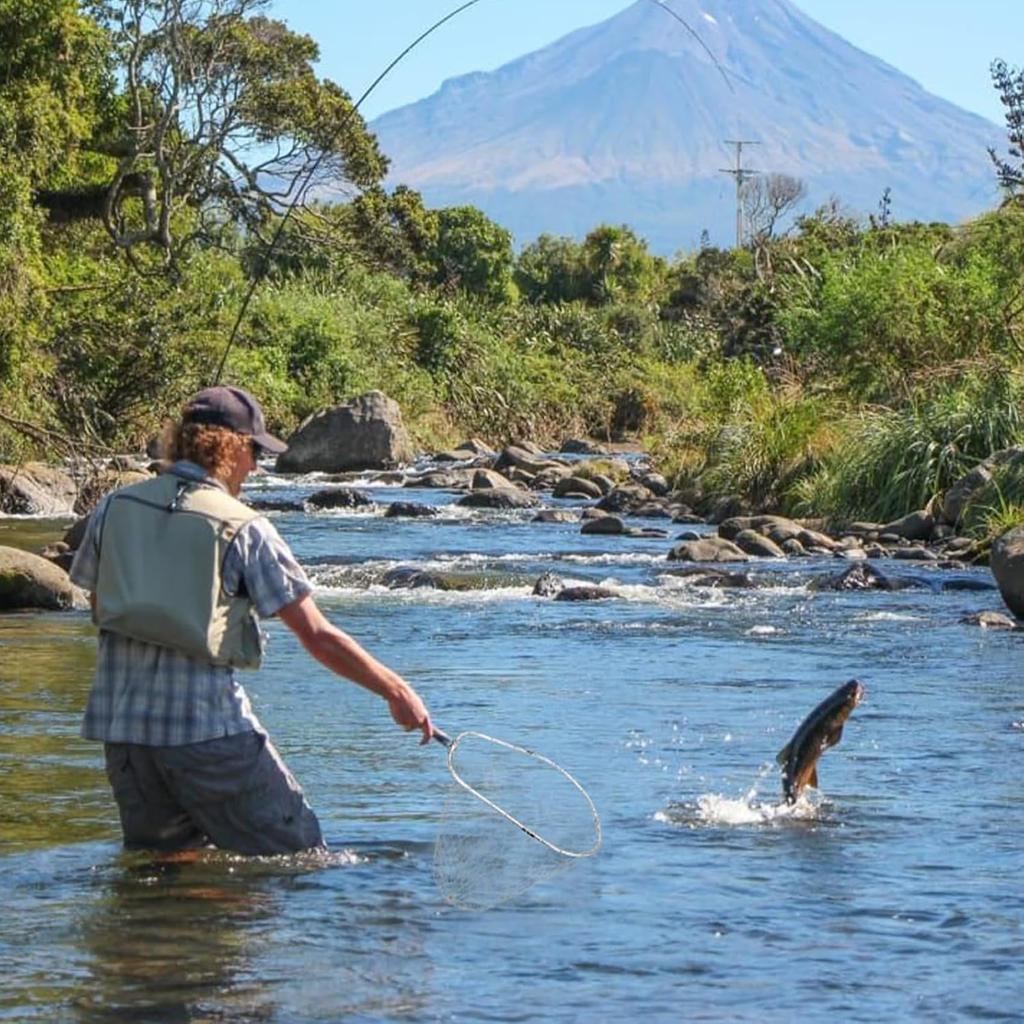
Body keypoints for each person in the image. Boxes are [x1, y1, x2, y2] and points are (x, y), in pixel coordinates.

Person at [69, 385, 433, 856]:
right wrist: (396, 690)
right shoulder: (244, 527)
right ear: (230, 446)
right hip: (207, 733)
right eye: (255, 451)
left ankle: (158, 933)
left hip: (124, 736)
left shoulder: (112, 508)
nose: (257, 467)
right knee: (303, 860)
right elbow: (316, 635)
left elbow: (101, 607)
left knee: (166, 873)